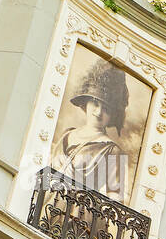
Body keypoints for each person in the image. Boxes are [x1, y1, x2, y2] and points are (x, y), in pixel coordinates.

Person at [51, 58, 129, 194]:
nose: (98, 112)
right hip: (47, 204)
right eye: (95, 103)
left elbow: (116, 198)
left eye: (106, 109)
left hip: (78, 212)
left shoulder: (113, 151)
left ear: (112, 116)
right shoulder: (67, 134)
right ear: (86, 103)